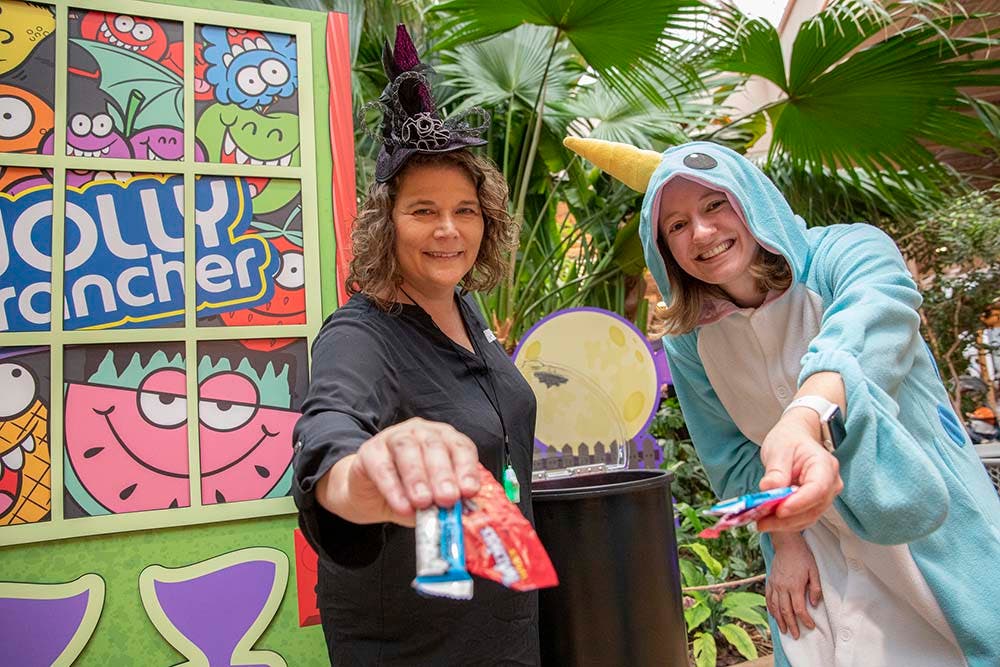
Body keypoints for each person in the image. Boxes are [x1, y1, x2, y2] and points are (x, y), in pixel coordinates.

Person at [564, 137, 1000, 667]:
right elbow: (731, 457)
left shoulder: (847, 253)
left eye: (714, 204)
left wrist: (804, 414)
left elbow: (872, 322)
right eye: (676, 225)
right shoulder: (689, 342)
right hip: (817, 553)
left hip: (922, 527)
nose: (701, 233)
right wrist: (788, 544)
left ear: (752, 200)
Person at [292, 27, 538, 665]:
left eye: (466, 210)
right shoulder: (360, 334)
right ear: (385, 223)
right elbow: (330, 431)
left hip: (501, 620)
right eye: (424, 210)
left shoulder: (464, 307)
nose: (449, 230)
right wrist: (359, 476)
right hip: (412, 642)